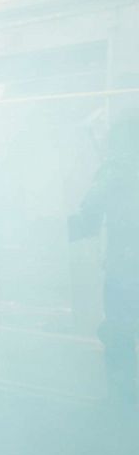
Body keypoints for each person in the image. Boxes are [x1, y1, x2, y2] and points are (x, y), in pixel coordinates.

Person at [69, 109, 139, 411]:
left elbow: (89, 214)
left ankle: (122, 399)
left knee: (120, 332)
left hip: (125, 268)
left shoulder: (116, 169)